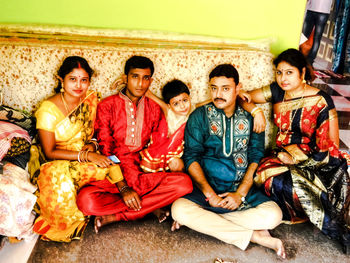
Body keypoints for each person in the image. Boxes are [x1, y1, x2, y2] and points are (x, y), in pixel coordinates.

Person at [171, 64, 285, 258]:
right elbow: (191, 156)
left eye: (225, 88)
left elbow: (256, 156)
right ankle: (256, 236)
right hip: (206, 190)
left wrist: (239, 195)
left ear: (238, 88)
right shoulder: (199, 116)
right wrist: (210, 195)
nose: (218, 94)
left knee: (274, 215)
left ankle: (206, 222)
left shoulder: (252, 118)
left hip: (240, 189)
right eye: (214, 88)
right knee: (178, 209)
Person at [243, 48, 350, 254]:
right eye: (279, 72)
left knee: (301, 186)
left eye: (289, 72)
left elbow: (329, 148)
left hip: (316, 161)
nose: (283, 78)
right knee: (265, 176)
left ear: (302, 73)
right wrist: (255, 111)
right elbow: (244, 97)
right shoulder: (276, 91)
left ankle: (327, 223)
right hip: (280, 157)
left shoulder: (321, 101)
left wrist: (298, 160)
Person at [76, 56, 193, 232]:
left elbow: (157, 147)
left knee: (184, 184)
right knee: (85, 200)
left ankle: (116, 216)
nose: (140, 83)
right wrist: (123, 187)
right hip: (114, 172)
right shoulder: (107, 105)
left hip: (143, 171)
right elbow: (106, 147)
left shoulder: (154, 108)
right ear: (125, 79)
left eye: (145, 78)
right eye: (135, 77)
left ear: (151, 81)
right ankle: (150, 208)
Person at [31, 56, 123, 242]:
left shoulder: (90, 100)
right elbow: (49, 152)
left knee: (116, 164)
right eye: (72, 79)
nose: (79, 85)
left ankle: (121, 206)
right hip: (57, 161)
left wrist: (93, 145)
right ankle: (70, 223)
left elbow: (94, 134)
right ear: (61, 80)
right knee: (56, 175)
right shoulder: (47, 109)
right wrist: (87, 155)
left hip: (86, 155)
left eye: (84, 80)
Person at [140, 79, 193, 173]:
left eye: (185, 100)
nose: (182, 106)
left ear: (189, 98)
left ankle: (175, 182)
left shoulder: (193, 109)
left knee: (177, 165)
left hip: (178, 151)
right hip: (161, 145)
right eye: (176, 103)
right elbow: (148, 94)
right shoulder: (168, 111)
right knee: (146, 167)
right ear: (169, 105)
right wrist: (126, 81)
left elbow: (208, 102)